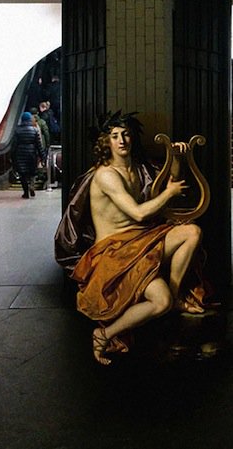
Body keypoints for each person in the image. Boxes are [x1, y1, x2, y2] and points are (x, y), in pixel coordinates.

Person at [54, 110, 212, 365]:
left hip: (140, 241)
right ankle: (104, 334)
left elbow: (170, 182)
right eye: (115, 136)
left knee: (192, 232)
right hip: (114, 253)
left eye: (126, 134)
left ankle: (175, 296)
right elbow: (139, 213)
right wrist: (169, 194)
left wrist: (177, 156)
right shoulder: (106, 175)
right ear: (106, 142)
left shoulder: (138, 168)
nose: (122, 140)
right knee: (160, 302)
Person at [12, 111, 45, 199]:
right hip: (32, 154)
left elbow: (14, 145)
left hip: (20, 154)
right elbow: (39, 145)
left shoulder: (17, 130)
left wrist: (12, 156)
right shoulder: (34, 130)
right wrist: (42, 157)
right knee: (32, 173)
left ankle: (26, 193)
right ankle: (32, 186)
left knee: (22, 174)